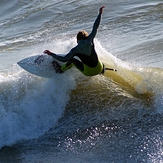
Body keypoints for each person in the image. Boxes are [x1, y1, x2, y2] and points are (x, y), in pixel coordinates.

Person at [44, 6, 105, 76]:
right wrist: (100, 14)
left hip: (89, 73)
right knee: (96, 57)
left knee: (72, 60)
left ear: (77, 39)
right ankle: (102, 71)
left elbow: (64, 59)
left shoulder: (75, 50)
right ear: (86, 37)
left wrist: (51, 53)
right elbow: (96, 26)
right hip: (99, 68)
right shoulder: (90, 39)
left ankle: (60, 70)